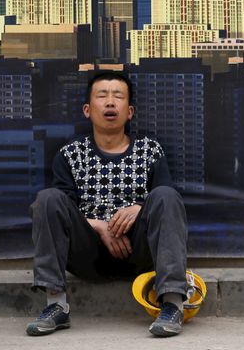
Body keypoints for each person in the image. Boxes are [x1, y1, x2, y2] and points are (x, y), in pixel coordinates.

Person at [26, 71, 188, 337]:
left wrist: (139, 209)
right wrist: (99, 227)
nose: (110, 102)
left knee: (167, 197)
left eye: (118, 96)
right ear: (88, 110)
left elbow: (164, 201)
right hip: (86, 253)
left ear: (130, 111)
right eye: (102, 96)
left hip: (139, 252)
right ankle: (56, 305)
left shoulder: (150, 150)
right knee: (47, 199)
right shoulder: (70, 154)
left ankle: (171, 304)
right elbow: (60, 210)